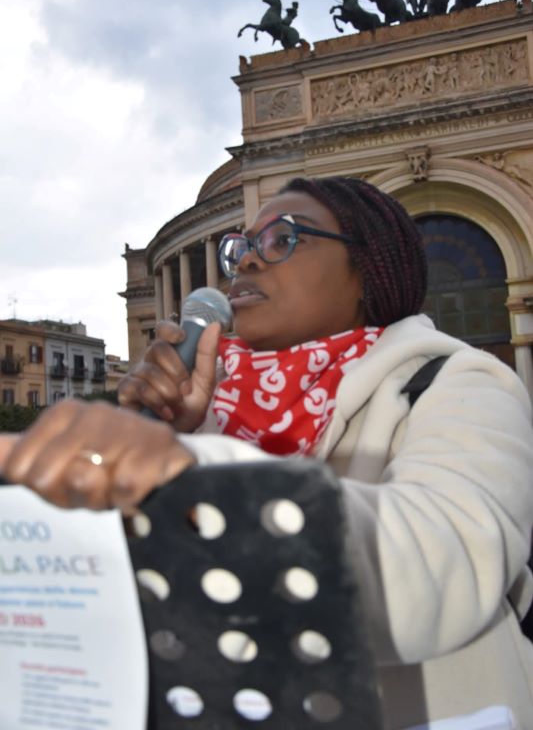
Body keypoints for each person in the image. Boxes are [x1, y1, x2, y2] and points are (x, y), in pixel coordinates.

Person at [1, 177, 532, 729]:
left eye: (283, 239)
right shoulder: (204, 417)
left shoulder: (462, 382)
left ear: (367, 270)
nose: (247, 262)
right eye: (242, 246)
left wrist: (183, 472)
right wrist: (166, 439)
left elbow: (447, 566)